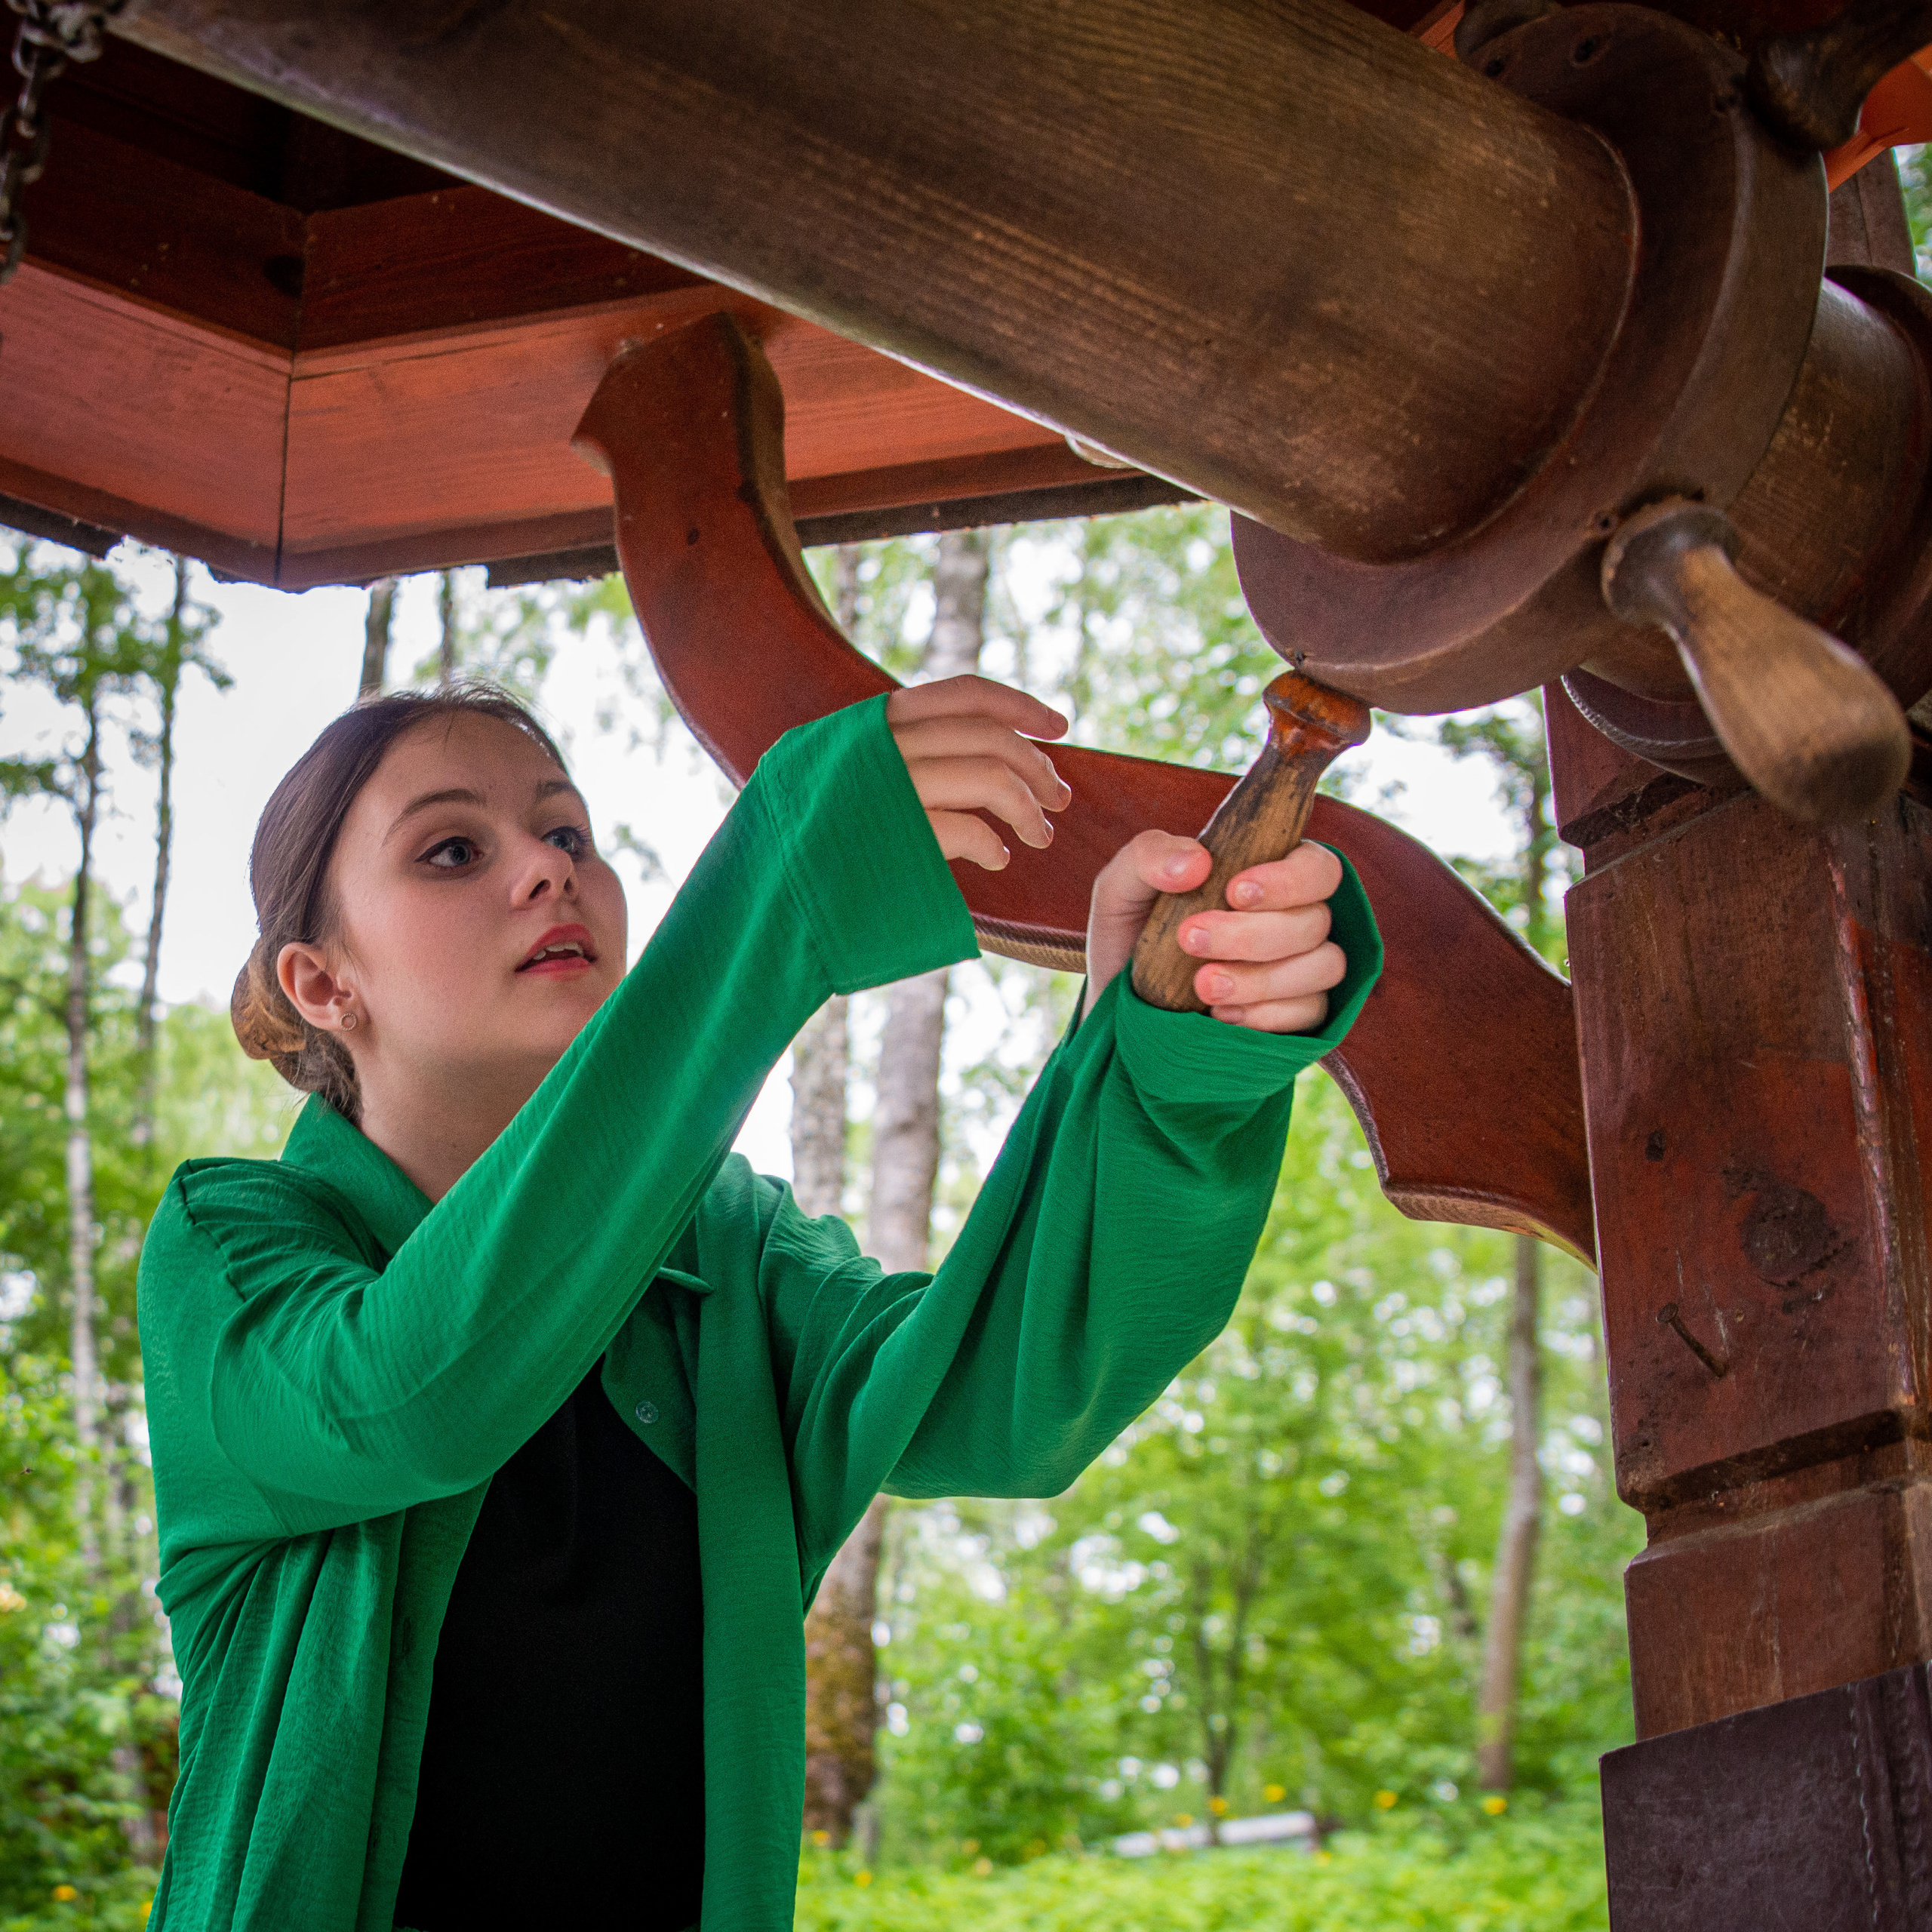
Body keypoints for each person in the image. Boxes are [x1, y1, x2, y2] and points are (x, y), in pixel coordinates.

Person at [136, 672, 1381, 1932]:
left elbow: (1008, 1402)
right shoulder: (233, 1251)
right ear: (320, 984)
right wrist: (782, 882)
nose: (547, 871)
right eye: (453, 849)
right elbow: (410, 1399)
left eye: (566, 832)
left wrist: (1165, 1062)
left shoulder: (731, 1250)